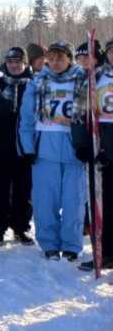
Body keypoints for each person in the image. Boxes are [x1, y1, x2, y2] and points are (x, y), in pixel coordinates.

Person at [19, 41, 85, 261]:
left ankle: (71, 246)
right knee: (44, 202)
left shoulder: (83, 81)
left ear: (69, 59)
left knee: (73, 202)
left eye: (61, 58)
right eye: (52, 58)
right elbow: (26, 118)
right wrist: (28, 147)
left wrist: (89, 145)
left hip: (75, 152)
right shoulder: (37, 83)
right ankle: (48, 244)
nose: (56, 63)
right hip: (44, 151)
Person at [74, 38, 113, 271]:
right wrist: (82, 144)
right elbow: (79, 114)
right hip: (99, 146)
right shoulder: (93, 79)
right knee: (103, 204)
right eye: (111, 52)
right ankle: (105, 253)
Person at [0, 47, 34, 245]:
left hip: (25, 146)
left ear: (24, 63)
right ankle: (0, 228)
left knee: (23, 190)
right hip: (2, 144)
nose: (14, 66)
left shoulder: (33, 84)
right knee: (0, 188)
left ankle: (21, 227)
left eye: (18, 62)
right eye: (10, 62)